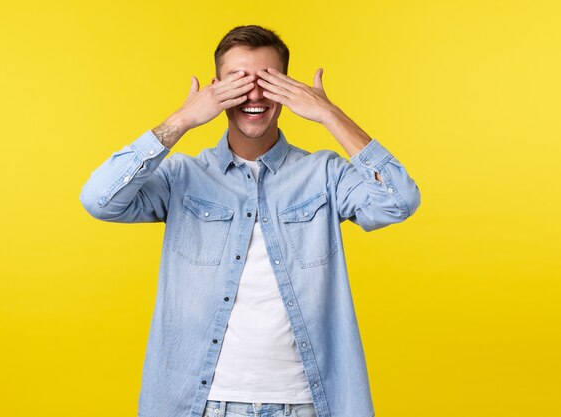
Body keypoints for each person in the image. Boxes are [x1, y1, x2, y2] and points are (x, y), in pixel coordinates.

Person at [80, 25, 421, 417]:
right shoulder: (182, 177)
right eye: (238, 82)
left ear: (288, 88)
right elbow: (99, 199)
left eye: (267, 81)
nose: (254, 95)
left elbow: (400, 200)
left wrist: (329, 114)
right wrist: (183, 120)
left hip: (308, 404)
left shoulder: (323, 174)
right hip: (201, 405)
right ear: (214, 90)